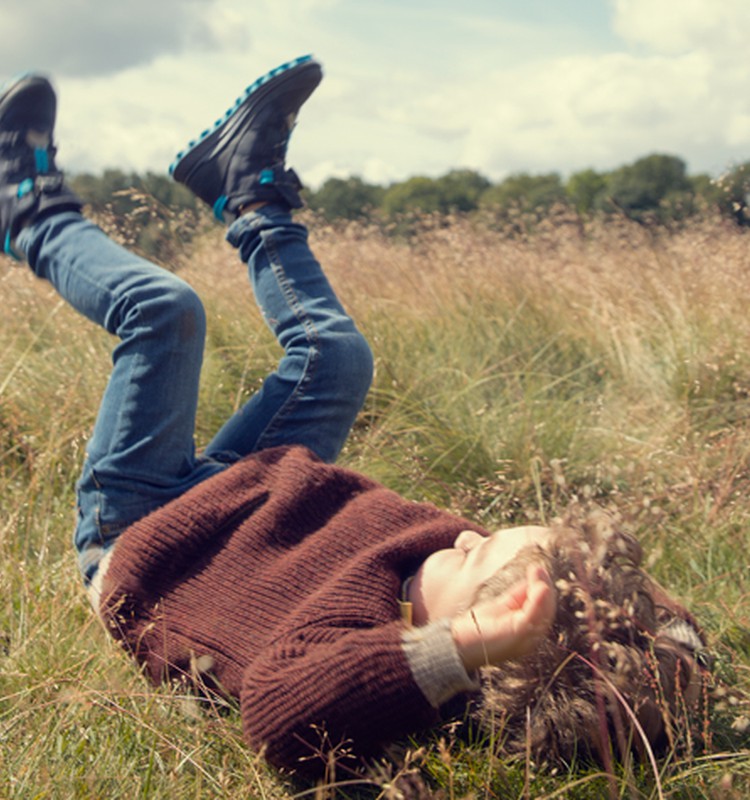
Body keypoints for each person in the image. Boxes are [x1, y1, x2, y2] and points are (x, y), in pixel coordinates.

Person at [0, 56, 711, 780]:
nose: (463, 532)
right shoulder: (443, 572)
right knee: (336, 357)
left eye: (470, 559)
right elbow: (651, 643)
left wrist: (459, 648)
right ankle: (246, 191)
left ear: (462, 644)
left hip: (145, 531)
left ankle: (25, 208)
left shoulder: (353, 650)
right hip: (248, 495)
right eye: (482, 538)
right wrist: (666, 630)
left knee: (162, 313)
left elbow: (281, 717)